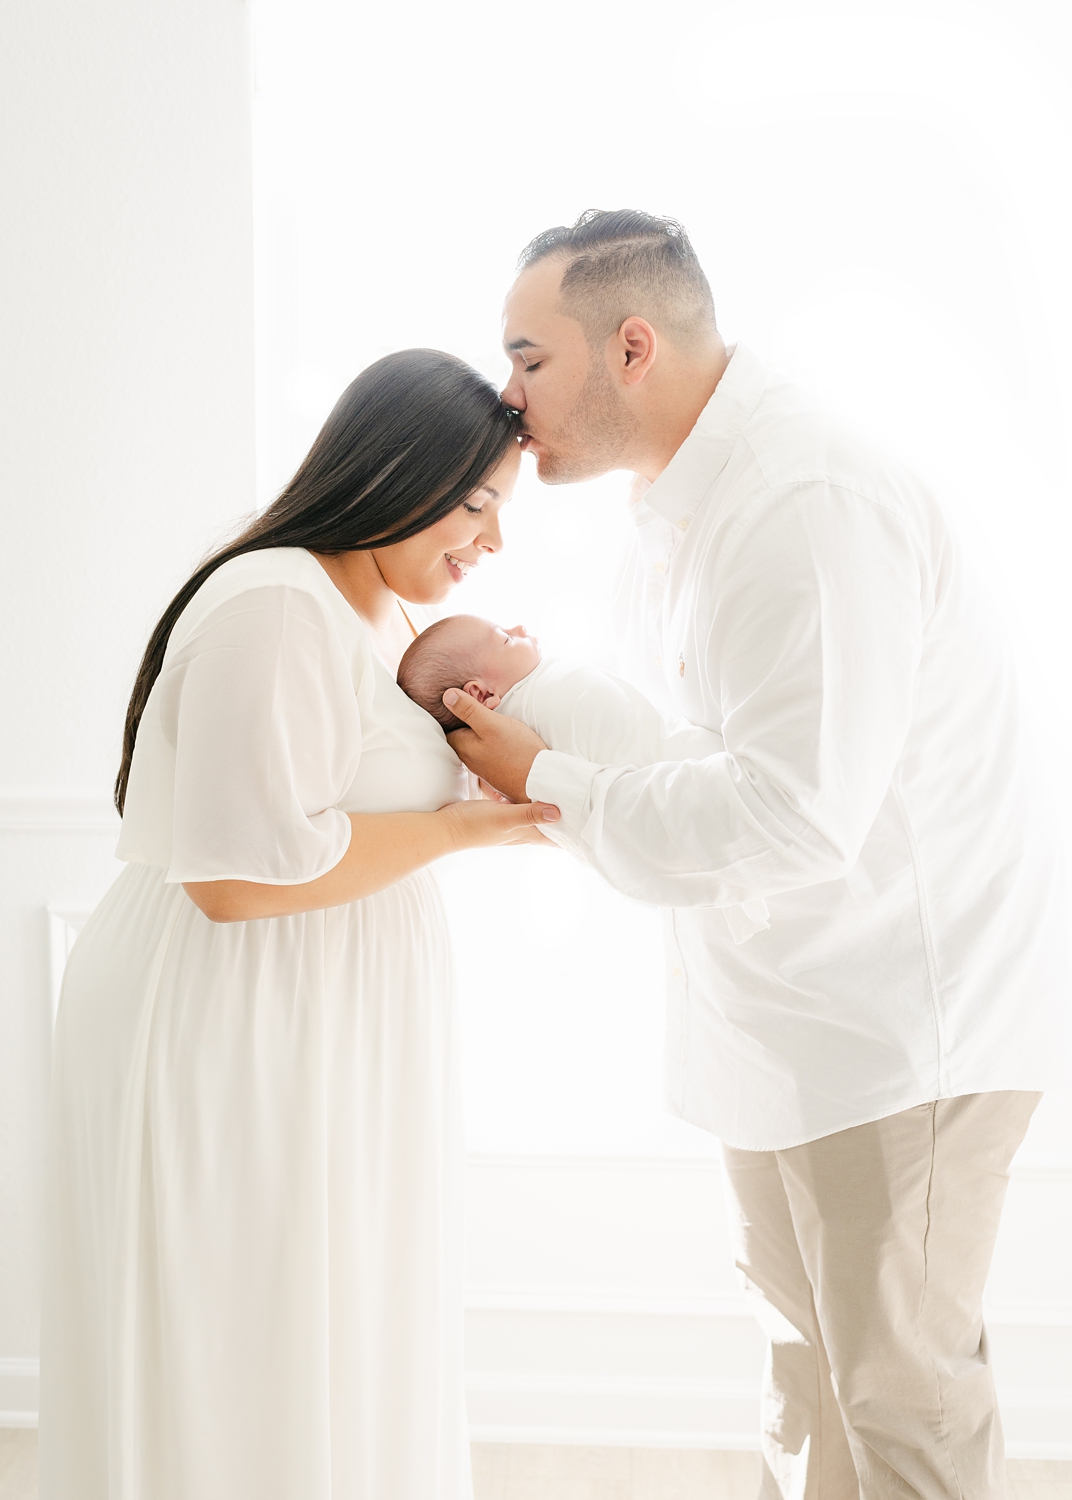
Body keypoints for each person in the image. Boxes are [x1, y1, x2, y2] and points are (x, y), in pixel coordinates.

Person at [445, 210, 1069, 1499]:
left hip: (898, 1034)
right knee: (810, 1388)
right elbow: (697, 752)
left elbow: (791, 817)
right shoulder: (682, 511)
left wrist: (547, 779)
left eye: (527, 358)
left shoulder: (802, 501)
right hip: (788, 1027)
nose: (507, 400)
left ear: (631, 346)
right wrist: (538, 716)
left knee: (900, 1403)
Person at [38, 349, 559, 1500]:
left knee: (322, 1323)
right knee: (241, 1332)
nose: (490, 539)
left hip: (315, 1014)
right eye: (474, 503)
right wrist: (478, 833)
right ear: (392, 469)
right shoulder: (278, 600)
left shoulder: (375, 613)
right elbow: (232, 881)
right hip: (232, 1011)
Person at [397, 611, 768, 940]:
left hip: (696, 776)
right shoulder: (536, 708)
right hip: (697, 778)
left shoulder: (524, 721)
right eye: (506, 638)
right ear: (480, 694)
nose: (520, 626)